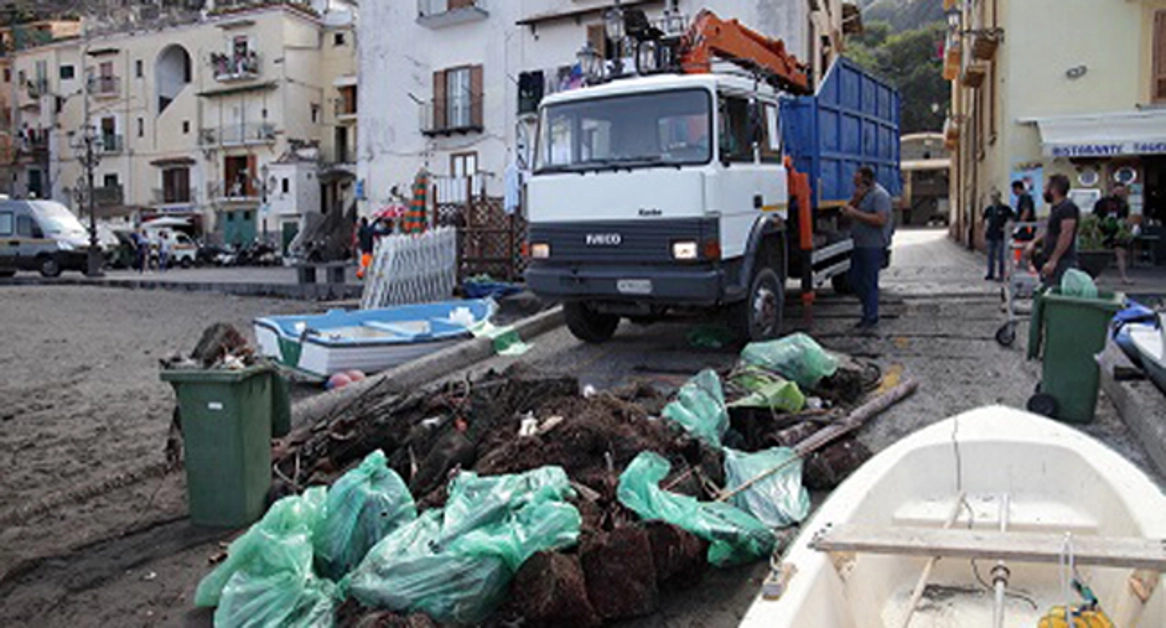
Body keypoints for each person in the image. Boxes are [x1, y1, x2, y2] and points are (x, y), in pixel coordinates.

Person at [841, 166, 892, 330]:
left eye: (858, 183)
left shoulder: (880, 196)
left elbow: (880, 220)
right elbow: (846, 211)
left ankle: (870, 317)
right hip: (859, 244)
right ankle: (867, 311)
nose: (855, 186)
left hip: (873, 245)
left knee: (869, 282)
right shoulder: (861, 196)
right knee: (855, 280)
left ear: (867, 181)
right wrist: (855, 200)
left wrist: (855, 214)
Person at [1026, 173, 1079, 288]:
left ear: (1053, 190)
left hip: (1062, 263)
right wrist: (1034, 243)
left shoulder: (1067, 207)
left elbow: (1066, 234)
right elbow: (1051, 232)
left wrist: (1053, 260)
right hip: (1051, 261)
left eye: (1046, 188)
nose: (1043, 191)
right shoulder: (1056, 208)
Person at [1093, 182, 1134, 285]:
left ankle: (1123, 277)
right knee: (1099, 254)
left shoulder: (1123, 204)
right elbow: (1095, 216)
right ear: (1113, 189)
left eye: (1122, 191)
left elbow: (1125, 218)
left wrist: (1126, 228)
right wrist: (1096, 228)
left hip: (1117, 231)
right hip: (1103, 231)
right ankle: (1097, 276)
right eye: (1119, 190)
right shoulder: (1102, 202)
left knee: (1121, 253)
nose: (1120, 193)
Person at [983, 190, 1013, 281]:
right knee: (990, 256)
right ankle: (990, 273)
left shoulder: (1005, 209)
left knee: (1001, 257)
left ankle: (1001, 275)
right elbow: (984, 220)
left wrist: (1007, 228)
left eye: (995, 197)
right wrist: (984, 230)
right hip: (990, 235)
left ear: (999, 197)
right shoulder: (989, 209)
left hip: (1001, 236)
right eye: (992, 197)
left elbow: (1011, 218)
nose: (993, 199)